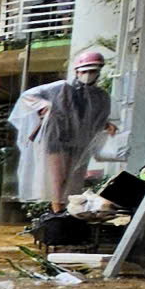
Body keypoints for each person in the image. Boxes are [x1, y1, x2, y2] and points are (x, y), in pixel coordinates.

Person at [40, 49, 116, 205]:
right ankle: (58, 215)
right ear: (77, 71)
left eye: (93, 71)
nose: (88, 74)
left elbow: (97, 119)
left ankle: (69, 212)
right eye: (85, 71)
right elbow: (39, 101)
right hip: (57, 142)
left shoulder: (101, 96)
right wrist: (45, 108)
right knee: (58, 182)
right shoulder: (63, 90)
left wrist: (107, 125)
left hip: (81, 144)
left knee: (74, 181)